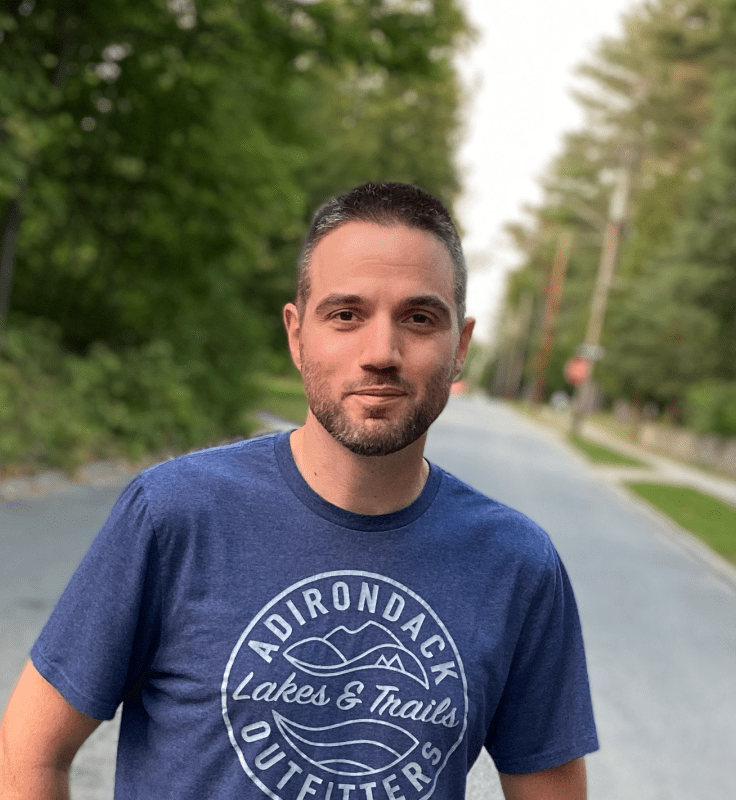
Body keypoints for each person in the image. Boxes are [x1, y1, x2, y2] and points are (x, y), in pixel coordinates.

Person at [0, 182, 598, 799]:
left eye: (419, 319)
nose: (381, 352)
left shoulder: (518, 566)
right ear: (296, 334)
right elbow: (28, 751)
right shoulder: (175, 514)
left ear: (461, 347)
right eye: (346, 315)